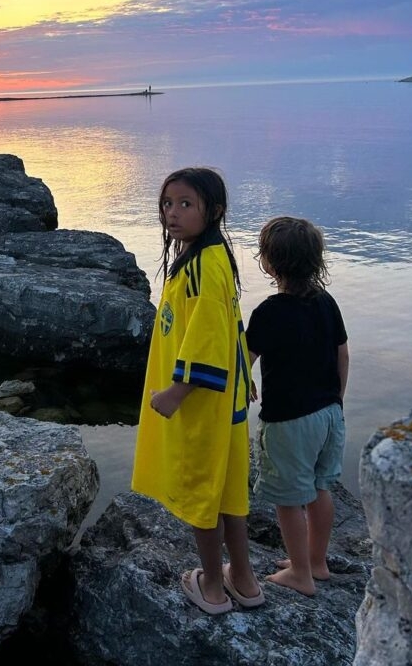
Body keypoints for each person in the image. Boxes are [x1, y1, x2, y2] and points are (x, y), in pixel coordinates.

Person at [132, 167, 263, 614]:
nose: (173, 213)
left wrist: (175, 392)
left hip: (201, 404)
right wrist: (244, 376)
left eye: (186, 204)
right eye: (168, 203)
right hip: (225, 398)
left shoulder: (205, 265)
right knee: (228, 491)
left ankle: (211, 584)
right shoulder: (208, 256)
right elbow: (232, 325)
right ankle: (243, 579)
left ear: (214, 211)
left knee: (203, 492)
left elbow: (208, 333)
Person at [246, 216, 350, 597]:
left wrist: (246, 384)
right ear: (316, 261)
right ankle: (317, 562)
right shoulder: (327, 303)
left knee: (289, 499)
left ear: (269, 263)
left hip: (289, 421)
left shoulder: (268, 312)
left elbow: (244, 359)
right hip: (329, 414)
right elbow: (343, 355)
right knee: (321, 488)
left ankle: (300, 575)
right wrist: (337, 402)